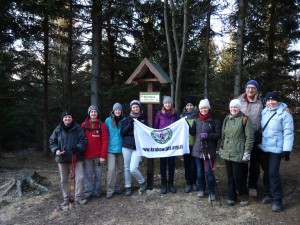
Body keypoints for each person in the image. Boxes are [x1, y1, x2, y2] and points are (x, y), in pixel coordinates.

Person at [258, 92, 294, 212]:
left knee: (273, 173)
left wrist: (286, 149)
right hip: (264, 147)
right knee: (266, 172)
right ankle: (269, 194)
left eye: (273, 100)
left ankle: (278, 201)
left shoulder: (285, 114)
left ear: (278, 101)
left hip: (276, 149)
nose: (270, 102)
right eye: (268, 100)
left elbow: (288, 133)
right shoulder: (264, 111)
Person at [220, 99, 254, 207]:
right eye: (231, 107)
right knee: (230, 176)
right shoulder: (227, 119)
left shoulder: (244, 119)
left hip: (239, 152)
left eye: (236, 107)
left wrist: (247, 152)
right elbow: (223, 135)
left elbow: (250, 137)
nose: (233, 109)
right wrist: (222, 147)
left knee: (238, 176)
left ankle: (243, 196)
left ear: (239, 108)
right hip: (227, 152)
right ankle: (231, 196)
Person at [49, 110, 88, 206]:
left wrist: (78, 148)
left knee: (80, 178)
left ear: (72, 118)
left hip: (76, 158)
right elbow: (52, 141)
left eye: (69, 117)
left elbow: (84, 141)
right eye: (65, 117)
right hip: (62, 159)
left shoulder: (78, 128)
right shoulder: (58, 129)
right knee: (64, 180)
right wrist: (56, 150)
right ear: (62, 119)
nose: (67, 119)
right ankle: (66, 198)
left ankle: (78, 198)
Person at [238, 80, 265, 197]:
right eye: (248, 87)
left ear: (256, 90)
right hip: (241, 136)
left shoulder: (262, 101)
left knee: (255, 163)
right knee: (241, 162)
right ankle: (241, 185)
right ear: (245, 89)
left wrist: (284, 107)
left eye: (253, 88)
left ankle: (253, 185)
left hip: (255, 136)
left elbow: (274, 106)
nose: (250, 90)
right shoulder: (238, 101)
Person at [191, 99, 221, 200]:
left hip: (209, 150)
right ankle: (201, 189)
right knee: (199, 173)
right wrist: (189, 128)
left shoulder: (214, 120)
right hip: (197, 150)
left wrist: (208, 135)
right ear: (199, 109)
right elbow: (193, 132)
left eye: (205, 107)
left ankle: (212, 191)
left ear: (208, 108)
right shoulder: (196, 119)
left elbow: (218, 134)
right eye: (201, 108)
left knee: (208, 172)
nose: (203, 109)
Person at [121, 100, 147, 196]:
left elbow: (146, 132)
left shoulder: (143, 118)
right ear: (131, 108)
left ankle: (142, 182)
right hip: (127, 146)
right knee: (126, 167)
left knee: (133, 168)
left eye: (137, 107)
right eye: (133, 107)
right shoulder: (127, 119)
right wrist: (129, 125)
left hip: (137, 147)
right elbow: (122, 132)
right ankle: (128, 186)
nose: (136, 109)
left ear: (139, 108)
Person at [81, 105, 108, 199]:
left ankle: (96, 192)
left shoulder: (102, 125)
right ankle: (88, 192)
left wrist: (103, 156)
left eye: (95, 112)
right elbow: (80, 140)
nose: (93, 113)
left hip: (98, 156)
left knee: (98, 174)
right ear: (89, 113)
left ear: (97, 113)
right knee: (87, 174)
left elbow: (105, 141)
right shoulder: (84, 125)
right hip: (87, 155)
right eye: (91, 111)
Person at [154, 96, 179, 194]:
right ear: (163, 104)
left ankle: (171, 183)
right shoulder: (159, 114)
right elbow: (155, 127)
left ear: (171, 104)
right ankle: (163, 184)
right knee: (163, 164)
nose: (167, 104)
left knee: (172, 164)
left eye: (169, 103)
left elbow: (179, 127)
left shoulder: (175, 114)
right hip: (162, 144)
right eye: (166, 103)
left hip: (172, 143)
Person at [105, 103, 126, 199]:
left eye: (119, 110)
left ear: (121, 111)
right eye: (116, 110)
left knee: (120, 169)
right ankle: (110, 189)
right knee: (111, 169)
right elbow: (105, 135)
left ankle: (118, 187)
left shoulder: (124, 120)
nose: (117, 111)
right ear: (113, 111)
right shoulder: (108, 121)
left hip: (122, 148)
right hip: (111, 149)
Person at [180, 96, 198, 193]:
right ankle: (188, 183)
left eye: (191, 105)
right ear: (185, 106)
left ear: (193, 106)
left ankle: (194, 182)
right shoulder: (181, 117)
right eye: (188, 105)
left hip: (195, 144)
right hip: (185, 145)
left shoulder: (197, 115)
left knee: (194, 165)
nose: (189, 107)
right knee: (187, 165)